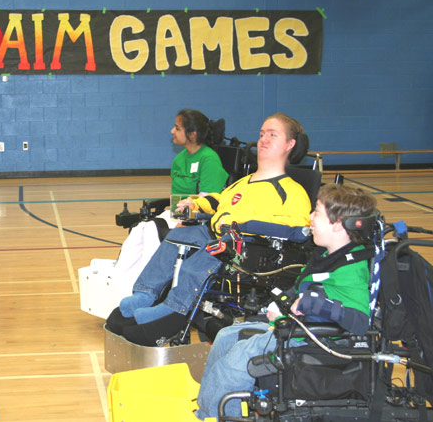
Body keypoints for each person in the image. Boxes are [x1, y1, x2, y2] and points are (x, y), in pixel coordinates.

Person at [106, 113, 311, 345]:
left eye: (272, 135)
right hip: (216, 232)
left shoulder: (291, 191)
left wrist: (244, 225)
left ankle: (173, 309)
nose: (263, 139)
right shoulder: (244, 182)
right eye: (262, 134)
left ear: (290, 144)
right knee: (177, 235)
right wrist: (195, 205)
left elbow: (296, 229)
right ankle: (145, 293)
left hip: (244, 246)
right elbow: (219, 200)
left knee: (213, 248)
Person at [194, 184, 377, 420]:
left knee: (237, 360)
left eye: (317, 212)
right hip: (299, 327)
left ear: (338, 224)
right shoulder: (328, 254)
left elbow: (360, 322)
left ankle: (218, 416)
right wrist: (287, 302)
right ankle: (206, 410)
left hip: (316, 340)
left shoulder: (351, 268)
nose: (310, 217)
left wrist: (310, 303)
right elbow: (304, 287)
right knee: (226, 336)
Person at [112, 109, 229, 281]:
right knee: (138, 230)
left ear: (192, 134)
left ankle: (149, 283)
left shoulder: (209, 159)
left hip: (198, 218)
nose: (172, 131)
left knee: (152, 232)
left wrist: (186, 222)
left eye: (177, 128)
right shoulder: (180, 158)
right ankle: (120, 280)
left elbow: (207, 202)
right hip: (177, 212)